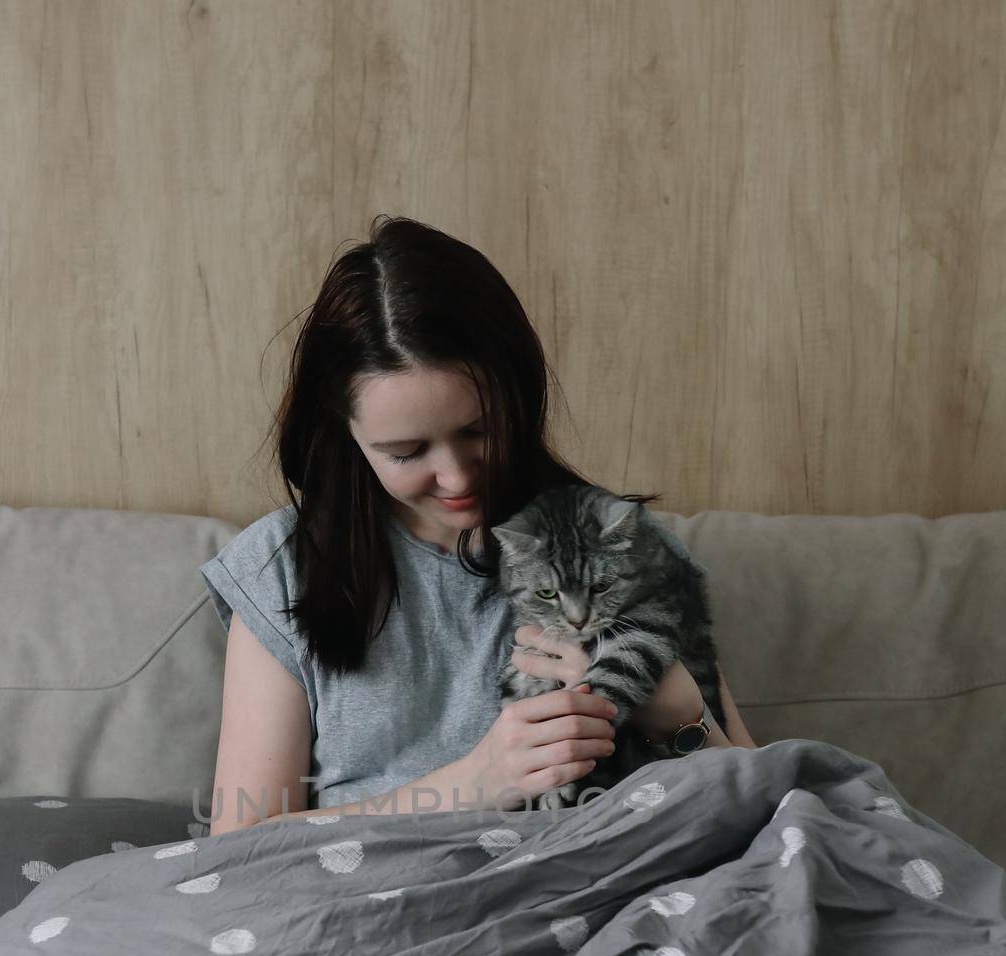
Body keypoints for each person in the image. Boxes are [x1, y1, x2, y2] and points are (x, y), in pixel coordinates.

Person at [200, 216, 757, 837]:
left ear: (518, 395)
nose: (458, 479)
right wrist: (475, 783)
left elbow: (759, 802)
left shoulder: (620, 548)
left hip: (599, 887)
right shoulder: (284, 567)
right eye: (407, 453)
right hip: (369, 906)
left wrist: (680, 719)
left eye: (479, 432)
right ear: (345, 433)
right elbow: (242, 844)